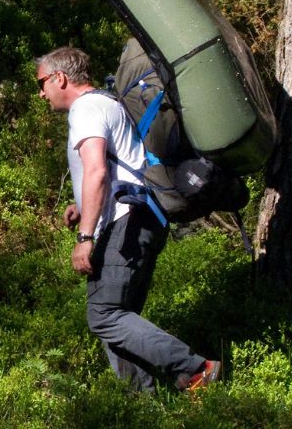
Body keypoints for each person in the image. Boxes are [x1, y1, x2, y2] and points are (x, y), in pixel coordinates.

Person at [35, 45, 221, 392]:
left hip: (128, 222)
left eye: (42, 83)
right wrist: (82, 207)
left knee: (104, 315)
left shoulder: (86, 108)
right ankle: (140, 404)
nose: (41, 92)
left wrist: (85, 238)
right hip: (141, 217)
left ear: (59, 78)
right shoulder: (106, 103)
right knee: (119, 317)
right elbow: (114, 167)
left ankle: (195, 370)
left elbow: (97, 171)